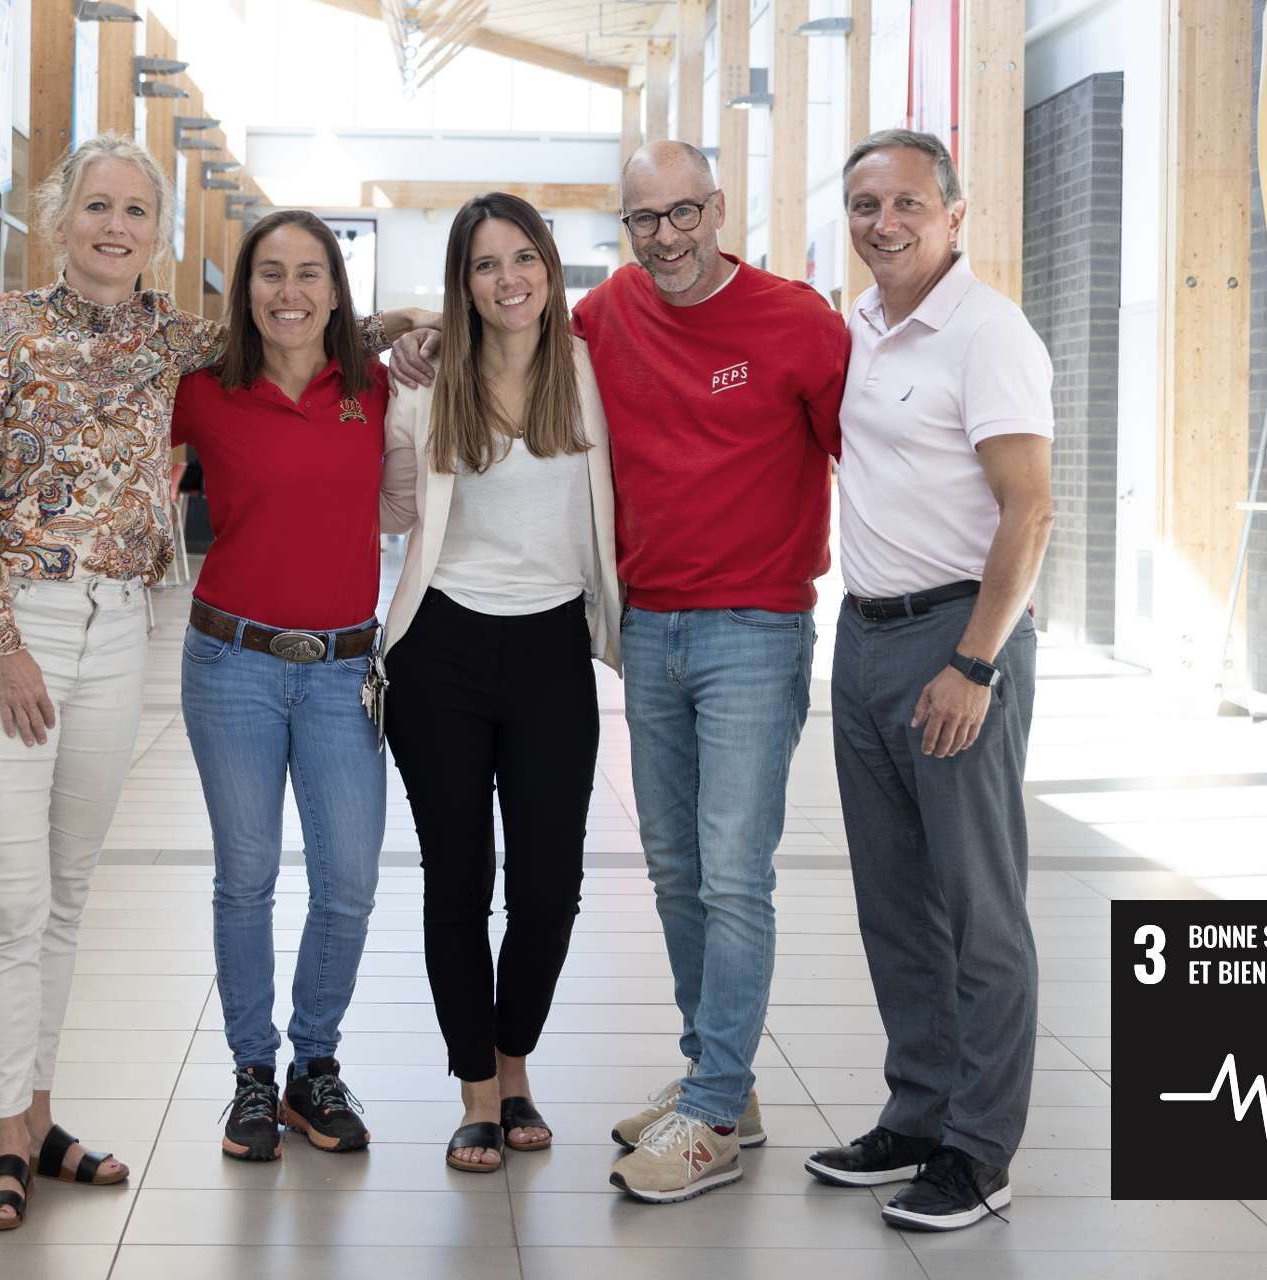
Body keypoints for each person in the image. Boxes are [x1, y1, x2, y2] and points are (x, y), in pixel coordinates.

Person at [0, 135, 423, 1229]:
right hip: (8, 635)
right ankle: (6, 1137)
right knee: (13, 898)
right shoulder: (2, 331)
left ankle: (42, 1117)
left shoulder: (171, 344)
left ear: (158, 233)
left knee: (63, 896)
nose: (114, 226)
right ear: (59, 218)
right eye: (95, 206)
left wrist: (389, 325)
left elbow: (307, 332)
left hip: (123, 634)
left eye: (134, 211)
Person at [391, 141, 847, 1202]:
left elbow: (862, 444)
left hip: (722, 627)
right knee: (671, 874)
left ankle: (711, 1099)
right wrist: (403, 335)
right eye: (644, 220)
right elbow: (426, 435)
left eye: (683, 212)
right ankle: (692, 1082)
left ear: (716, 207)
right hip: (608, 634)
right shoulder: (600, 324)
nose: (665, 236)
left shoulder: (767, 326)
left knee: (705, 874)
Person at [804, 128, 1053, 1233]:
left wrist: (972, 662)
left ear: (954, 216)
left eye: (905, 203)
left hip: (955, 638)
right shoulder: (856, 326)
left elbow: (1029, 509)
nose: (882, 223)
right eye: (863, 204)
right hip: (861, 637)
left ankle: (977, 1149)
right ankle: (915, 1112)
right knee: (895, 902)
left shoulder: (987, 335)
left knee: (977, 911)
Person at [376, 192, 619, 1174]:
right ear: (460, 282)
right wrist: (406, 336)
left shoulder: (589, 371)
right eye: (484, 264)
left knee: (551, 884)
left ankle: (514, 1053)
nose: (508, 278)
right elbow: (396, 508)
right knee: (457, 879)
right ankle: (478, 1086)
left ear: (552, 268)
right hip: (439, 647)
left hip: (553, 645)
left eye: (524, 257)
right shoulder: (426, 383)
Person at [172, 210, 392, 1162]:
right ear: (244, 289)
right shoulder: (203, 391)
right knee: (247, 879)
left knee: (347, 882)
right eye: (270, 274)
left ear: (337, 290)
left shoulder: (378, 387)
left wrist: (409, 322)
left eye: (310, 274)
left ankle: (316, 1065)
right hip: (231, 666)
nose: (290, 292)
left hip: (345, 671)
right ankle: (253, 1078)